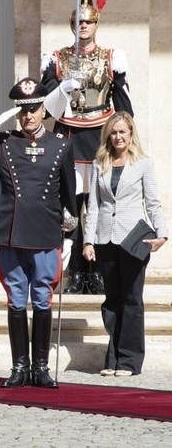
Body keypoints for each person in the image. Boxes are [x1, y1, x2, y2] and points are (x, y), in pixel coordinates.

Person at [0, 78, 77, 388]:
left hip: (46, 234)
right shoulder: (4, 143)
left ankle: (40, 368)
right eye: (22, 111)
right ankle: (19, 367)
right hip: (11, 233)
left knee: (41, 300)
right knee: (15, 301)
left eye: (34, 110)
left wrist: (72, 230)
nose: (28, 117)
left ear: (43, 111)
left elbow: (69, 193)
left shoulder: (61, 145)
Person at [42, 0, 133, 295]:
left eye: (88, 21)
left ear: (96, 23)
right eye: (78, 21)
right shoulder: (58, 58)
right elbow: (44, 106)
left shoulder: (111, 57)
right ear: (71, 23)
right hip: (68, 134)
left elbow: (121, 104)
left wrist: (127, 139)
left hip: (99, 139)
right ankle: (73, 271)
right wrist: (61, 88)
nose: (83, 25)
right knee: (71, 206)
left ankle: (97, 271)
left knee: (101, 203)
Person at [83, 112, 167, 377]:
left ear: (131, 134)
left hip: (134, 240)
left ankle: (129, 361)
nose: (118, 137)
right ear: (107, 134)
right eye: (114, 132)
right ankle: (113, 358)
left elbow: (152, 202)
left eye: (123, 132)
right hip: (105, 238)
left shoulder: (143, 163)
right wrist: (88, 240)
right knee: (112, 300)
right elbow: (93, 206)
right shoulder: (99, 164)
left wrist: (162, 234)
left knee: (132, 299)